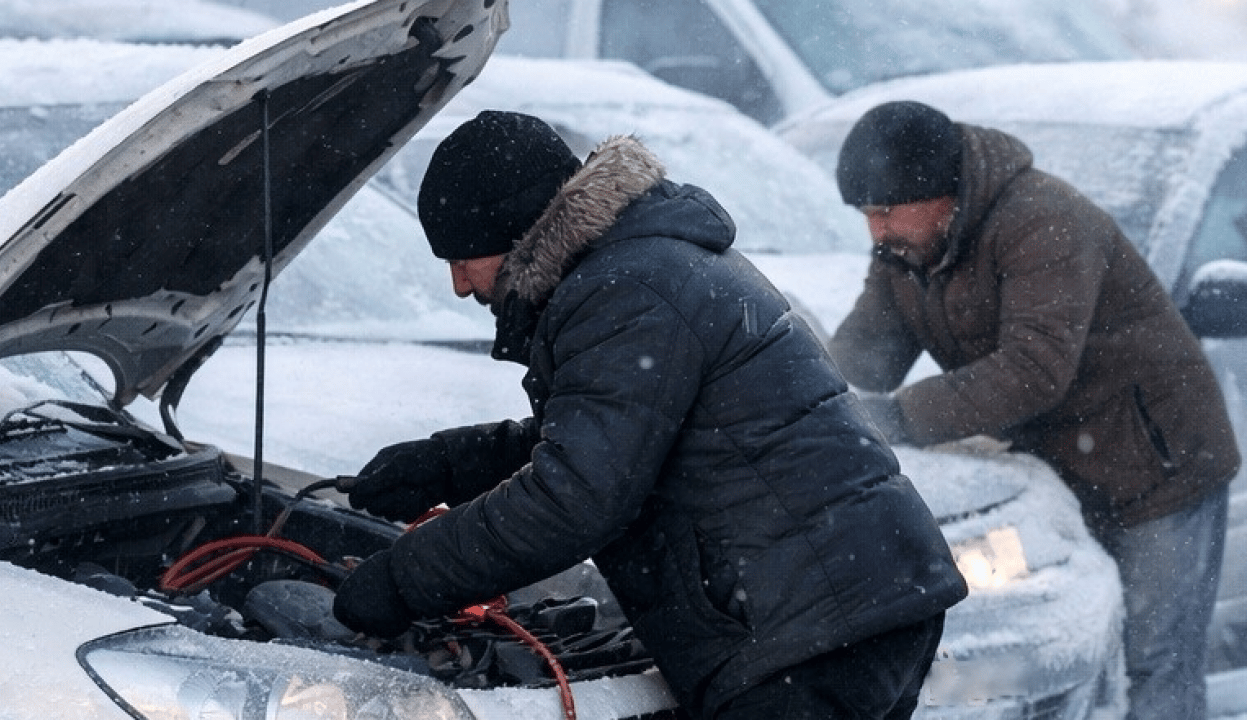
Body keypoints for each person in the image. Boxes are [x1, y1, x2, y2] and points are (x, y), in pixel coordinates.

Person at [329, 110, 968, 719]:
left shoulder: (626, 288)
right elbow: (617, 440)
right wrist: (452, 464)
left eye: (461, 256)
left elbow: (575, 499)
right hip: (848, 606)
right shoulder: (640, 264)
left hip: (810, 630)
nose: (460, 284)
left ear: (513, 232)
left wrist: (402, 579)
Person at [828, 100, 1241, 720]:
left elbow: (1033, 370)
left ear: (942, 193)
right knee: (1059, 664)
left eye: (886, 212)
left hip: (1158, 467)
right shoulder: (906, 250)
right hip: (1057, 475)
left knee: (1152, 664)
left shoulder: (1042, 220)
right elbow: (865, 350)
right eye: (866, 216)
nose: (877, 232)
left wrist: (899, 418)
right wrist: (805, 397)